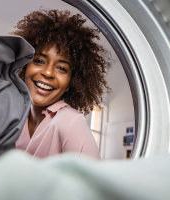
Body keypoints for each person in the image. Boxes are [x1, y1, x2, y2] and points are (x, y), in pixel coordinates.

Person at [10, 9, 110, 159]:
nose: (48, 73)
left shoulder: (71, 122)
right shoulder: (14, 117)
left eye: (62, 68)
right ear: (25, 66)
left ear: (71, 83)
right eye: (39, 61)